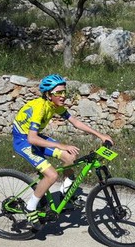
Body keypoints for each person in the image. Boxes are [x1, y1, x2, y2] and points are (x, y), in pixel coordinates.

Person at [12, 74, 113, 229]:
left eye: (64, 92)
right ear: (48, 94)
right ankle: (30, 207)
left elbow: (76, 122)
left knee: (70, 156)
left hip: (34, 137)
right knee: (52, 175)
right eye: (58, 93)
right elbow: (32, 139)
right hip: (23, 140)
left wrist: (100, 135)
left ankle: (66, 192)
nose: (63, 96)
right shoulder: (39, 107)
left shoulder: (55, 106)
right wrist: (60, 145)